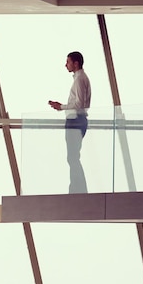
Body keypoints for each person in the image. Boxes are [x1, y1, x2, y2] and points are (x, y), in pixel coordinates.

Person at [48, 51, 91, 194]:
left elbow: (78, 104)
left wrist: (61, 107)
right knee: (73, 157)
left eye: (68, 62)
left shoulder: (79, 80)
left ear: (76, 63)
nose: (65, 64)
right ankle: (78, 189)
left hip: (75, 120)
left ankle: (78, 190)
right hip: (78, 120)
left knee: (72, 157)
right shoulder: (81, 79)